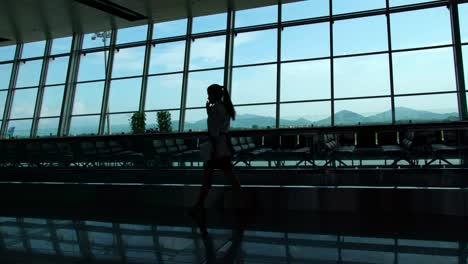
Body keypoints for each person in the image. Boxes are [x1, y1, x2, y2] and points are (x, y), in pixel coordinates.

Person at [192, 84, 241, 211]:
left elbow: (213, 130)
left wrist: (209, 113)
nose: (208, 97)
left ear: (214, 95)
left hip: (216, 148)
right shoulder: (224, 107)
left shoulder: (215, 109)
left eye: (209, 94)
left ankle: (199, 205)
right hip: (223, 147)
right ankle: (243, 203)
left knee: (208, 177)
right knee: (230, 177)